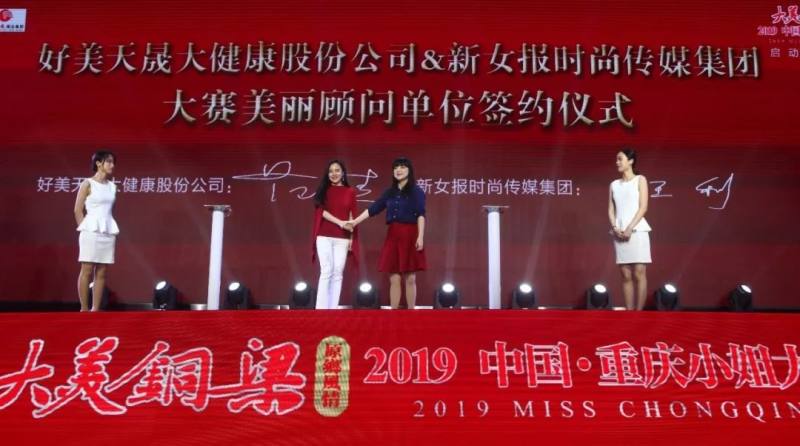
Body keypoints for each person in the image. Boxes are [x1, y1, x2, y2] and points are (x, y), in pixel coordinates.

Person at [350, 157, 426, 309]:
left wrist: (420, 237)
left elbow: (421, 215)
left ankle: (412, 313)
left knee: (410, 277)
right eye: (396, 167)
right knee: (394, 278)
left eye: (402, 167)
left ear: (409, 171)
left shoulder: (416, 191)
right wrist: (354, 222)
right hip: (393, 235)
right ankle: (393, 313)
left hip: (410, 234)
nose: (398, 170)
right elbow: (374, 208)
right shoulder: (389, 192)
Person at [74, 150, 119, 312]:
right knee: (87, 269)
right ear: (99, 163)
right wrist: (84, 229)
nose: (112, 165)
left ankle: (95, 310)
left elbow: (108, 209)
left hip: (107, 231)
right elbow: (78, 210)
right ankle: (84, 308)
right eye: (109, 162)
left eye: (113, 162)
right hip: (90, 231)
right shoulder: (87, 184)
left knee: (102, 271)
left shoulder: (113, 186)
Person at [311, 160, 360, 309]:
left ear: (343, 173)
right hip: (324, 236)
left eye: (337, 170)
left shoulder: (350, 191)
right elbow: (321, 212)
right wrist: (340, 222)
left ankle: (333, 309)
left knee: (338, 272)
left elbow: (352, 215)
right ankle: (321, 310)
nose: (334, 173)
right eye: (331, 171)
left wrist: (351, 238)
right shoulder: (323, 191)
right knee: (326, 270)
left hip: (342, 238)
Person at [608, 148, 651, 310]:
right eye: (616, 159)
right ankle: (629, 313)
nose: (617, 162)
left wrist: (630, 228)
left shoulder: (640, 180)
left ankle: (639, 314)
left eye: (620, 159)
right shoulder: (614, 184)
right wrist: (615, 227)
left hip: (637, 230)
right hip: (619, 232)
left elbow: (643, 207)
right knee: (625, 275)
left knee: (639, 272)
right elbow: (611, 210)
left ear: (631, 161)